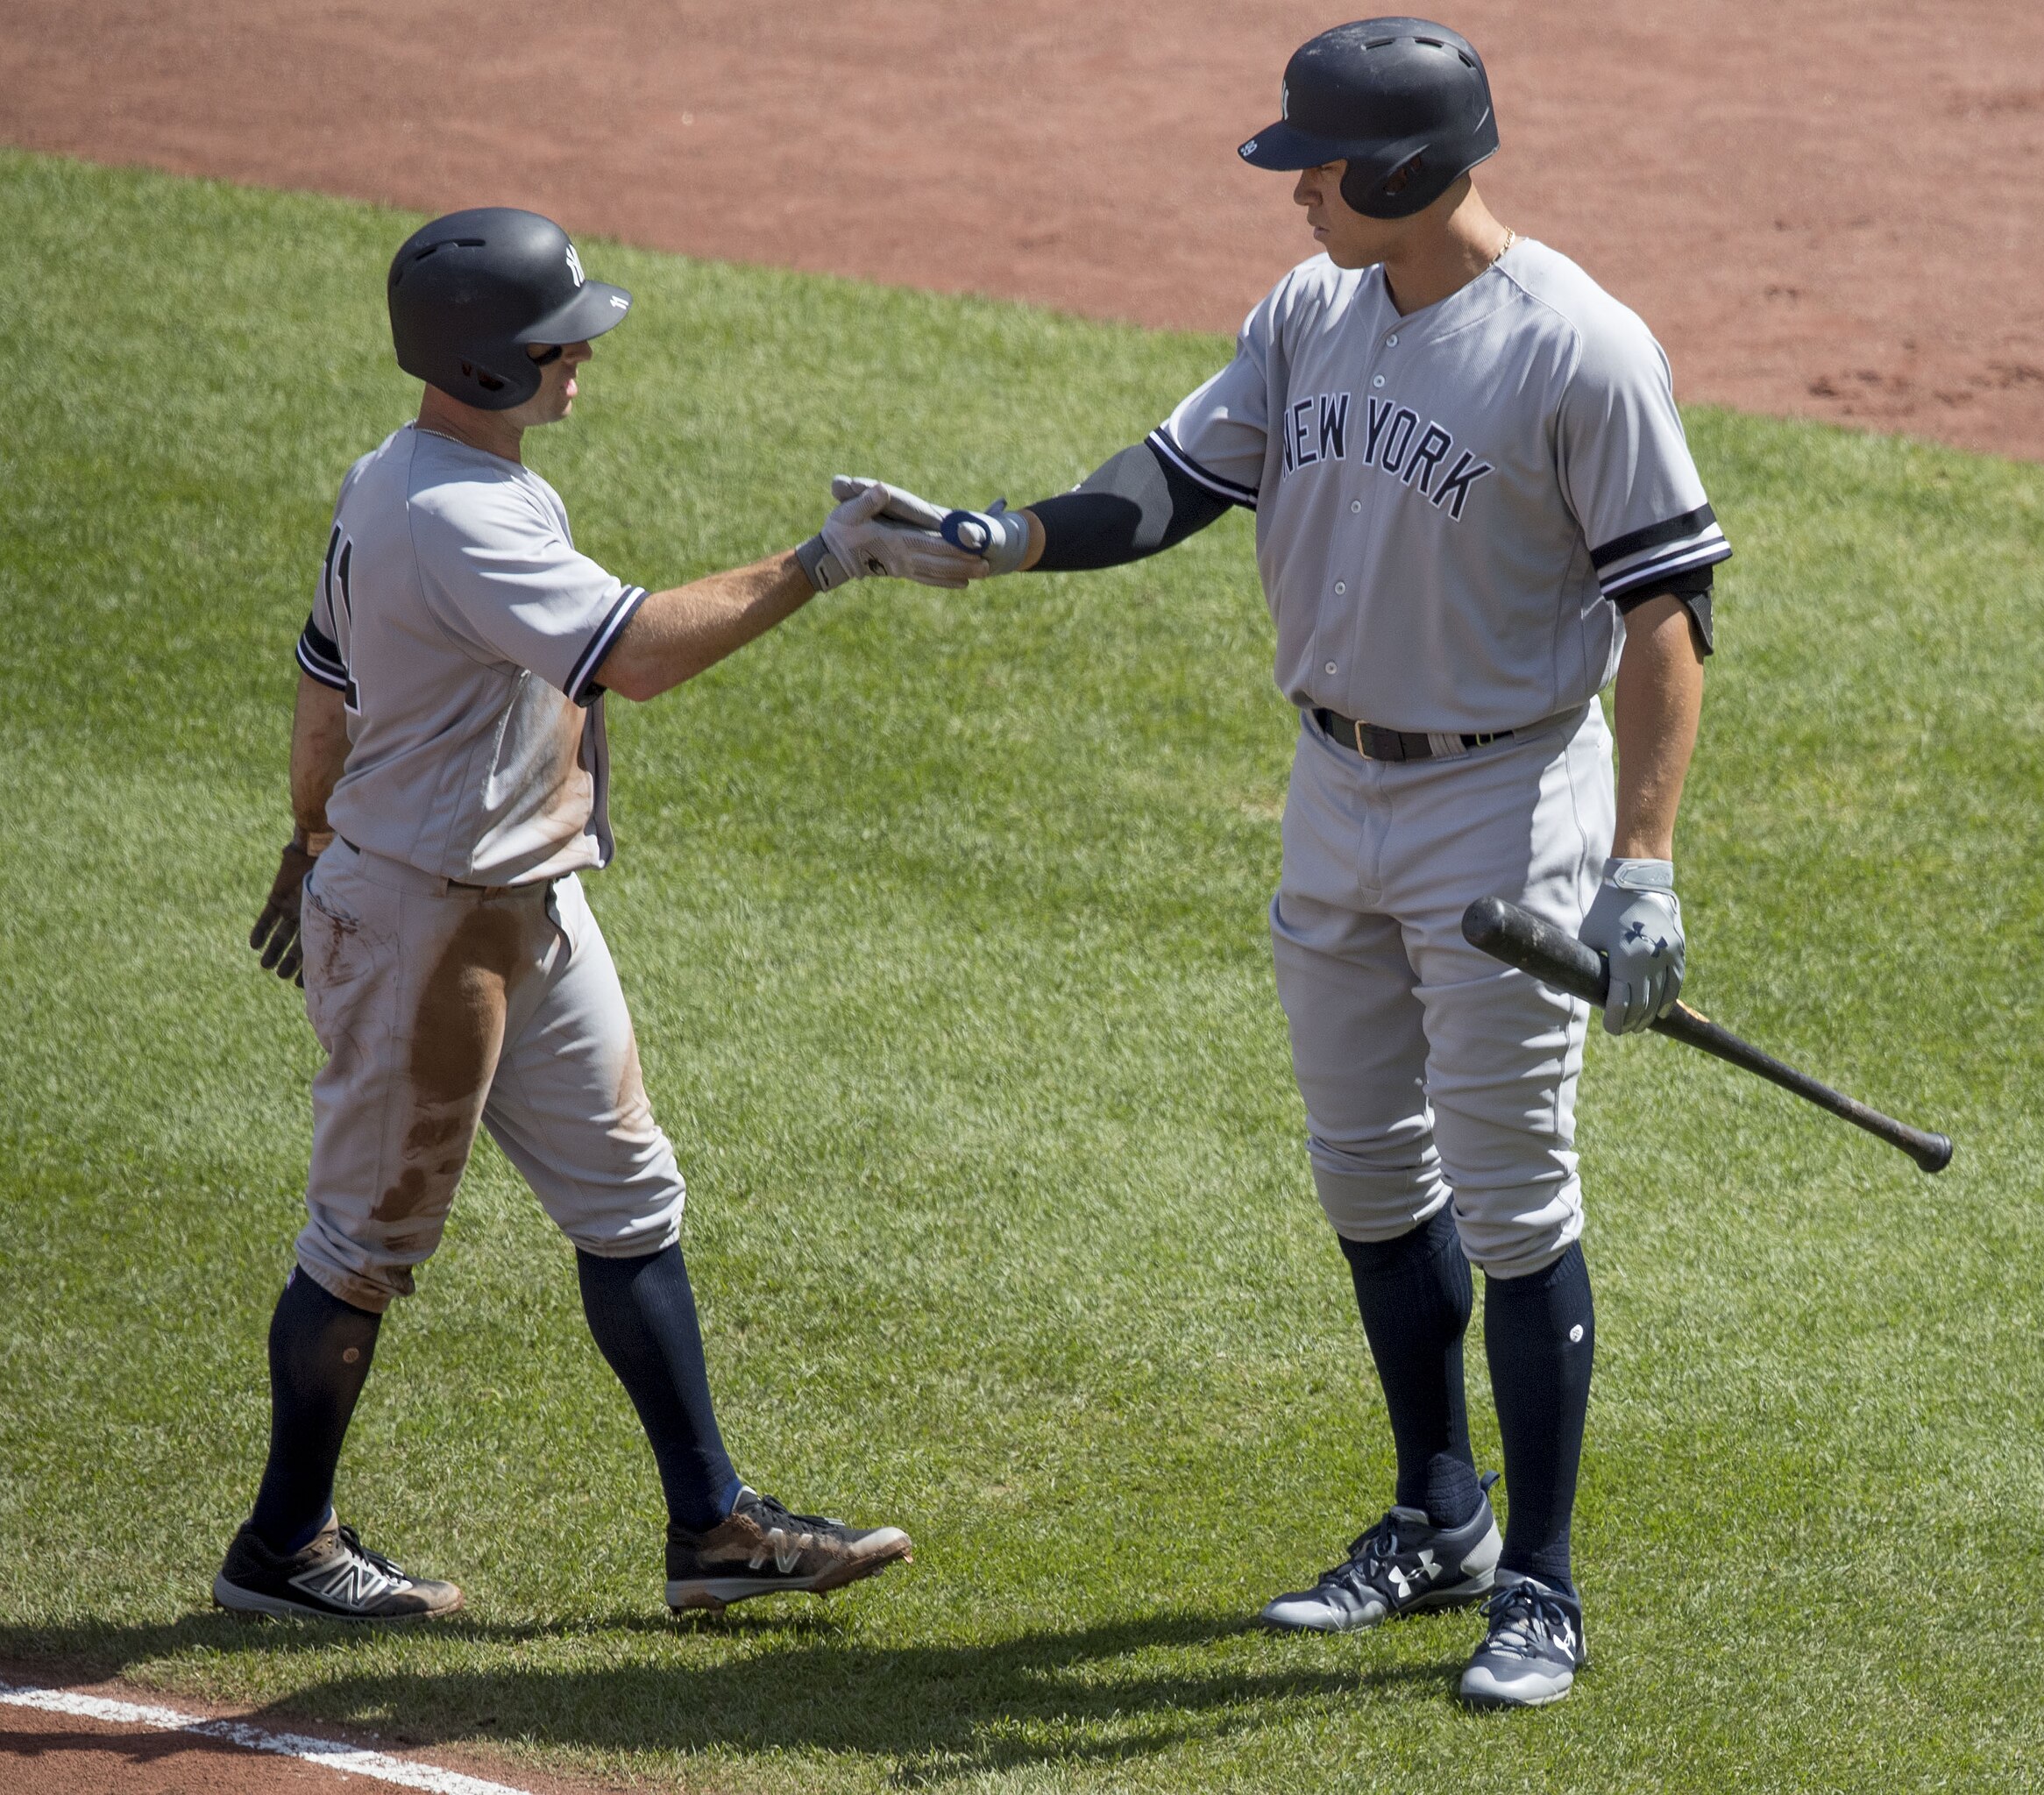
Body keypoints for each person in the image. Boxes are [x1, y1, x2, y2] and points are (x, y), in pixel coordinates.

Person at [845, 19, 1725, 1706]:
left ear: (1400, 171)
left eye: (1314, 166)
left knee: (1515, 1190)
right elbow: (1175, 486)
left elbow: (1666, 614)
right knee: (1366, 1174)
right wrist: (1006, 540)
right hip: (1334, 790)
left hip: (1504, 804)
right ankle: (1436, 1513)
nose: (1293, 190)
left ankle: (1538, 1586)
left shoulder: (1578, 348)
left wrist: (1644, 869)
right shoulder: (1309, 314)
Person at [230, 206, 982, 1621]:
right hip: (424, 926)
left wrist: (309, 825)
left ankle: (711, 1528)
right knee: (365, 1243)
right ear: (489, 361)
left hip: (521, 904)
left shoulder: (432, 474)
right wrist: (826, 562)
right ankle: (282, 1545)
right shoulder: (449, 513)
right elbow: (631, 657)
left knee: (632, 1200)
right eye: (556, 337)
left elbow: (325, 674)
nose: (582, 354)